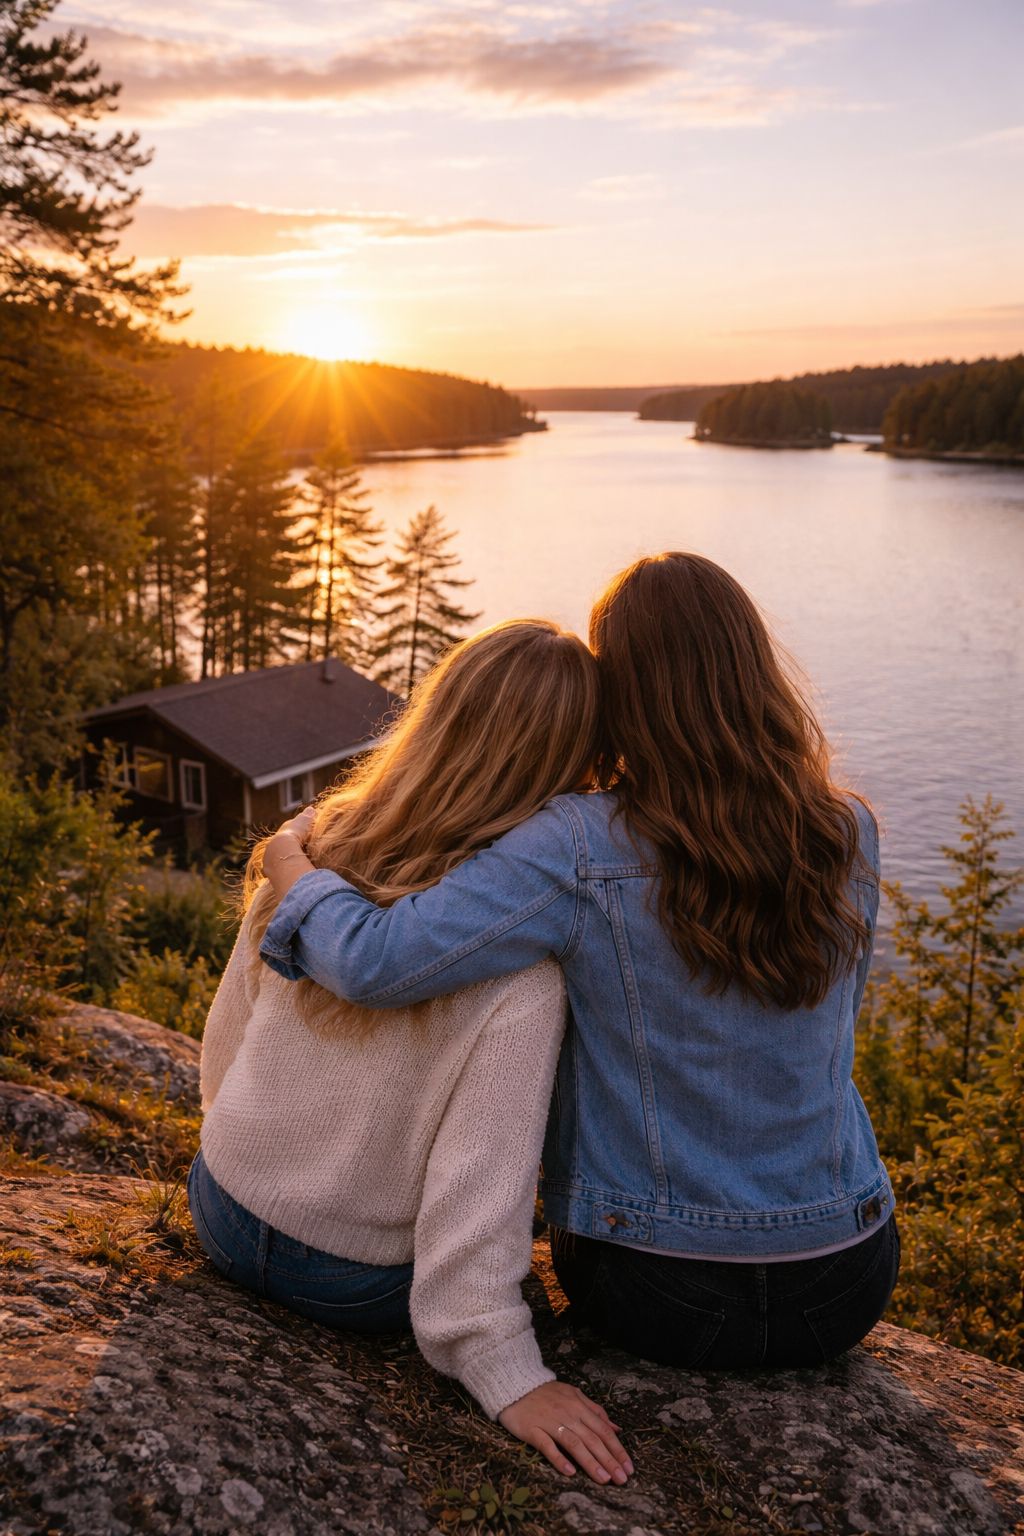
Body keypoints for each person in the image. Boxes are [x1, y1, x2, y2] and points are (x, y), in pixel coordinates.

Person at [259, 552, 899, 1373]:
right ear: (754, 669)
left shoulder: (577, 843)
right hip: (848, 1274)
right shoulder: (847, 831)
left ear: (620, 692)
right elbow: (835, 1034)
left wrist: (292, 867)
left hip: (661, 1287)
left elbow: (378, 963)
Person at [188, 619, 632, 1487]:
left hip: (225, 1205)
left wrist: (239, 1161)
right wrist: (505, 1368)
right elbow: (483, 1180)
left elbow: (229, 1037)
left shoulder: (311, 851)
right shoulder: (522, 969)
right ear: (573, 769)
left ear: (438, 714)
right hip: (352, 1282)